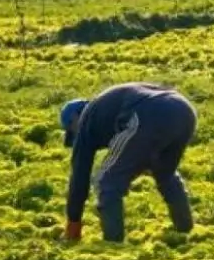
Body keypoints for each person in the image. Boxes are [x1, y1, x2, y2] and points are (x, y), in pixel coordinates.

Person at [59, 82, 197, 243]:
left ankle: (113, 245)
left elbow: (79, 176)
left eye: (72, 131)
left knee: (107, 181)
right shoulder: (107, 107)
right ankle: (185, 230)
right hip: (184, 112)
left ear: (75, 119)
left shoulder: (85, 120)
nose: (76, 136)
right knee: (164, 173)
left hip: (147, 115)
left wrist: (73, 221)